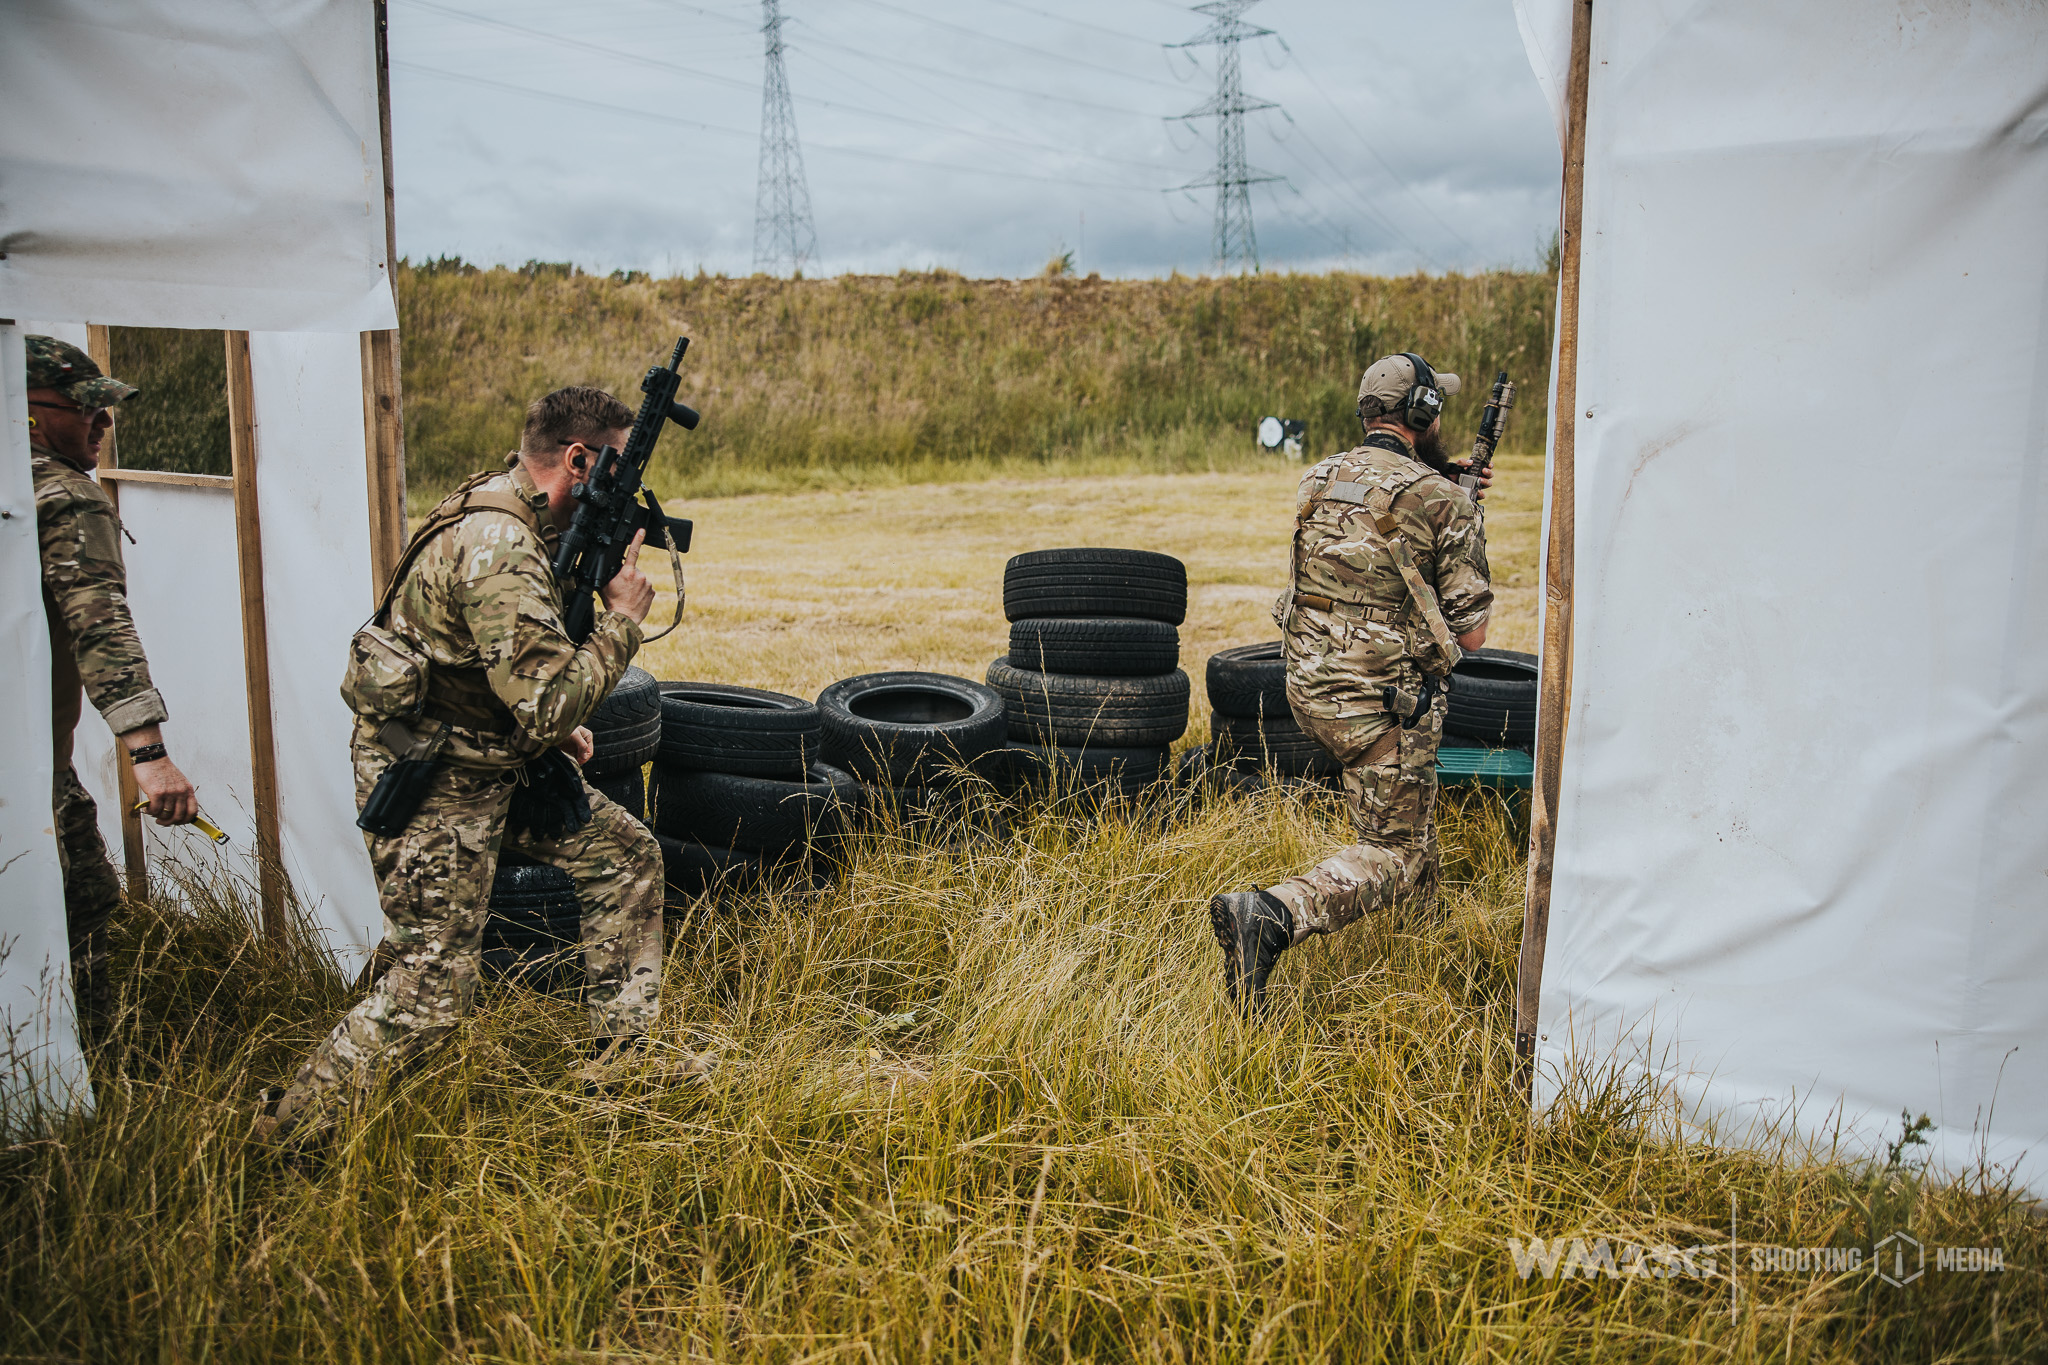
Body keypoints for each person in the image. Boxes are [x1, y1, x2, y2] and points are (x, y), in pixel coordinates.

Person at [261, 386, 699, 1148]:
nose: (631, 491)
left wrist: (549, 734)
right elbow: (545, 701)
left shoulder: (526, 514)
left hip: (490, 753)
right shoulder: (498, 544)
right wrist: (623, 623)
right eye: (619, 469)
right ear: (577, 460)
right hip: (433, 777)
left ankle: (622, 1066)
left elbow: (499, 670)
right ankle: (291, 1133)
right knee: (434, 989)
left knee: (624, 857)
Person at [1210, 353, 1494, 1012]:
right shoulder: (1442, 501)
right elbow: (1472, 633)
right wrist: (1465, 516)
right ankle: (1272, 914)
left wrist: (1445, 489)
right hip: (1379, 704)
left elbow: (1373, 516)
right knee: (1394, 852)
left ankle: (1430, 939)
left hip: (1307, 686)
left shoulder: (1319, 477)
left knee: (1407, 814)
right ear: (1424, 413)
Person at [27, 335, 200, 1040]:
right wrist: (148, 756)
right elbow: (101, 629)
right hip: (25, 764)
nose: (102, 426)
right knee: (86, 907)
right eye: (85, 410)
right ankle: (78, 1081)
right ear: (28, 412)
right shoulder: (66, 496)